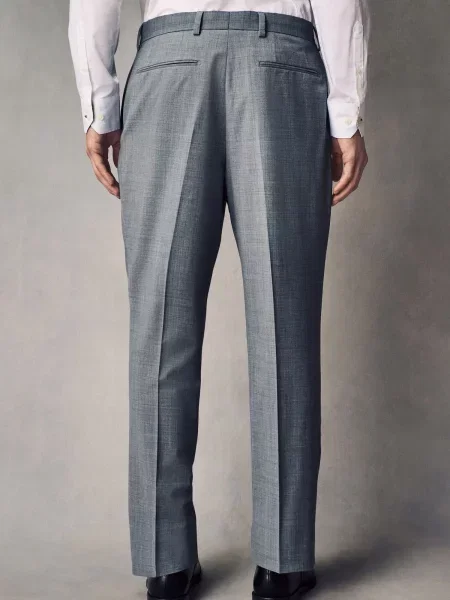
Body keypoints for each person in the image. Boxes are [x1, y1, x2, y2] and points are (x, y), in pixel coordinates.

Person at [68, 2, 370, 599]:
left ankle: (165, 563)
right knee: (285, 324)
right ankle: (281, 563)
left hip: (169, 65)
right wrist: (346, 114)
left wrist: (100, 105)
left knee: (160, 330)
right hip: (280, 66)